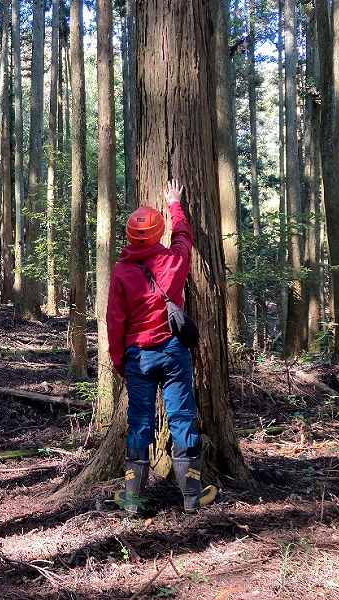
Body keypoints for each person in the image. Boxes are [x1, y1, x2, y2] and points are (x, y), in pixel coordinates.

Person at [106, 179, 217, 516]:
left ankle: (133, 501)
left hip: (137, 356)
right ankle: (191, 497)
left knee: (139, 422)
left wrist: (118, 360)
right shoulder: (173, 261)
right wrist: (174, 203)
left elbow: (115, 321)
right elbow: (184, 236)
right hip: (172, 351)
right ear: (157, 235)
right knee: (182, 417)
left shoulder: (122, 272)